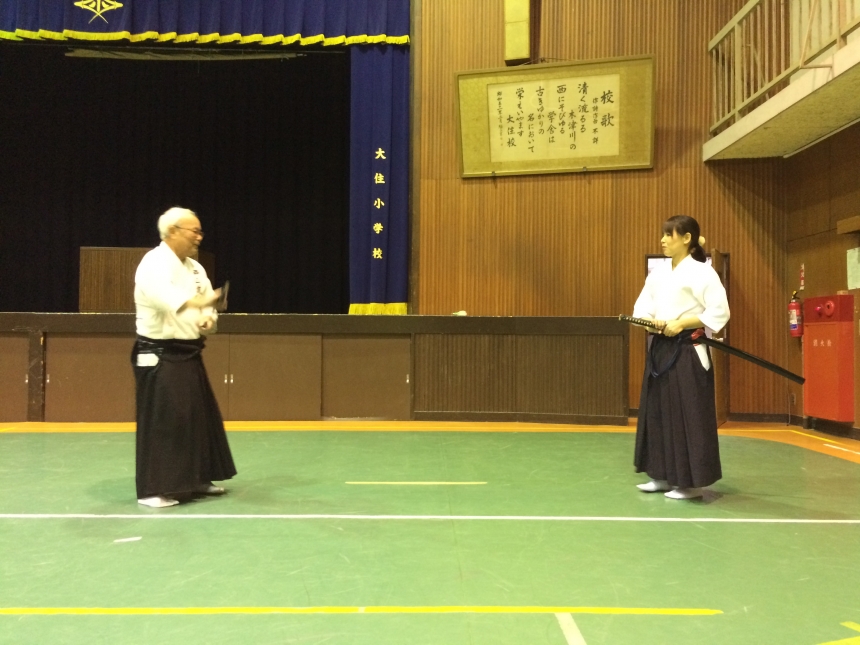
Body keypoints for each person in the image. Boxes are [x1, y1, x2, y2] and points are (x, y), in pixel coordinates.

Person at [132, 207, 236, 508]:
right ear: (173, 231)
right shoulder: (152, 263)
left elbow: (206, 307)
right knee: (165, 421)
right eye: (195, 231)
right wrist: (205, 300)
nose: (199, 237)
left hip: (189, 351)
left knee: (198, 418)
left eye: (200, 231)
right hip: (158, 353)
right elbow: (167, 299)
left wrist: (207, 318)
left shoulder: (195, 268)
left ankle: (197, 479)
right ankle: (153, 489)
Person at [631, 215, 730, 500]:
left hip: (688, 349)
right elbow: (642, 309)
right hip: (661, 347)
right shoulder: (658, 275)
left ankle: (691, 483)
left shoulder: (703, 273)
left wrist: (683, 322)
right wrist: (651, 323)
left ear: (686, 238)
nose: (663, 240)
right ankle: (661, 475)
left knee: (690, 413)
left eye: (669, 235)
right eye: (663, 235)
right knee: (658, 410)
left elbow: (720, 312)